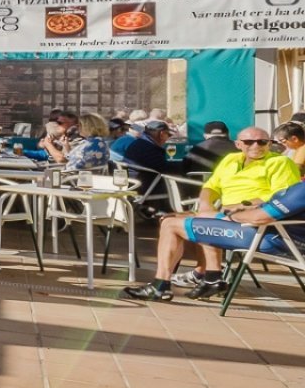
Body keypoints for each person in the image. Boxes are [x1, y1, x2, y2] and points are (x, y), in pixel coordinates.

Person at [124, 126, 302, 300]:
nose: (256, 146)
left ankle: (176, 282)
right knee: (169, 220)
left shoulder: (280, 163)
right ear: (238, 144)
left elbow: (279, 199)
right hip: (230, 217)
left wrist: (239, 206)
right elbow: (211, 186)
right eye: (249, 142)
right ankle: (205, 276)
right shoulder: (230, 159)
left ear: (270, 143)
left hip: (257, 227)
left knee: (173, 225)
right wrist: (205, 205)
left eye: (262, 142)